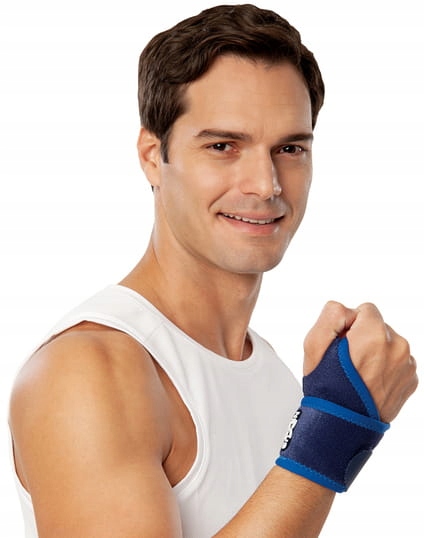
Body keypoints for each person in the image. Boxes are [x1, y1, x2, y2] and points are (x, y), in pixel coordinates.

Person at [8, 4, 418, 537]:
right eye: (223, 146)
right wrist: (335, 423)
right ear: (153, 157)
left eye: (290, 148)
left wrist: (327, 413)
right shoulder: (88, 369)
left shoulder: (273, 376)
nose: (266, 184)